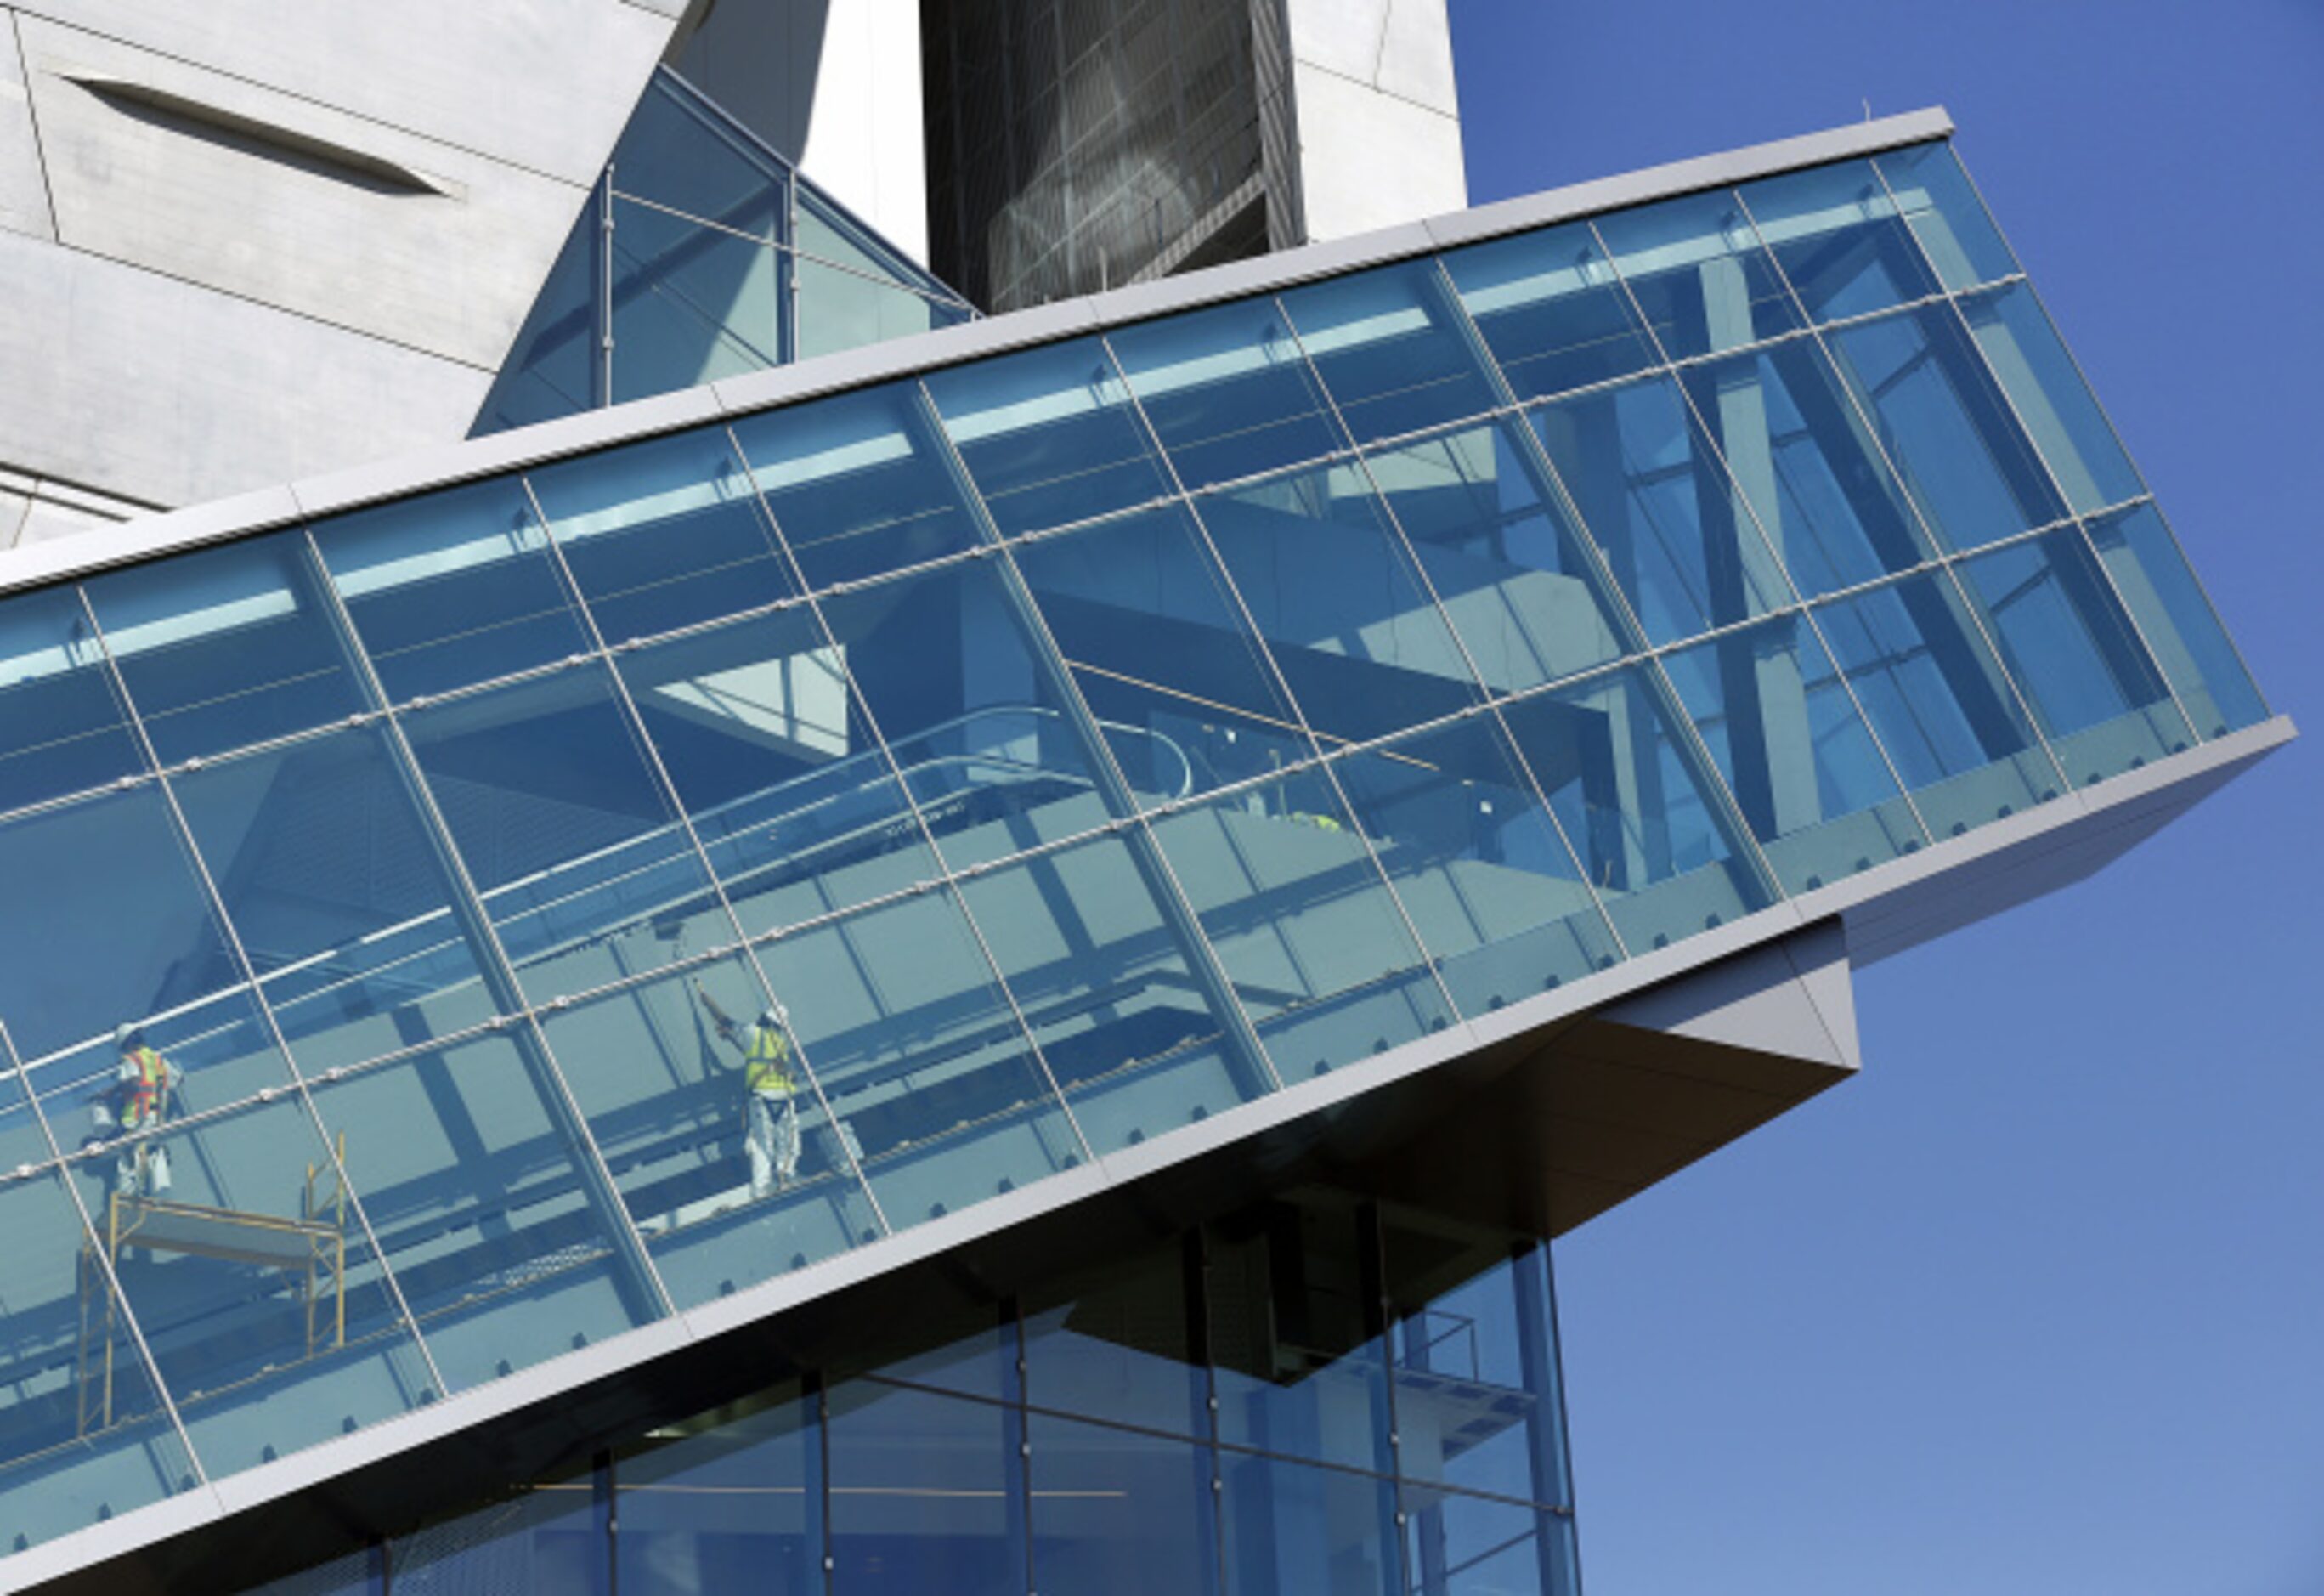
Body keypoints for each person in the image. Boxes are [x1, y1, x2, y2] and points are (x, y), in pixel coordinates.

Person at [697, 987, 801, 1199]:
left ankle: (761, 1187)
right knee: (788, 1141)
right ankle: (786, 1178)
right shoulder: (779, 1041)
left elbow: (724, 1020)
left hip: (761, 1099)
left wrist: (707, 1001)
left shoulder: (752, 1033)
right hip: (783, 1097)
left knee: (763, 1145)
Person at [94, 1026, 181, 1199]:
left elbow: (133, 1083)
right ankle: (158, 1188)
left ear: (126, 1044)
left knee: (128, 1158)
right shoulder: (158, 1060)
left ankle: (130, 1197)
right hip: (158, 1119)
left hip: (138, 1118)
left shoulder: (130, 1060)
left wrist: (110, 1092)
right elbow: (177, 1079)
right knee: (153, 1152)